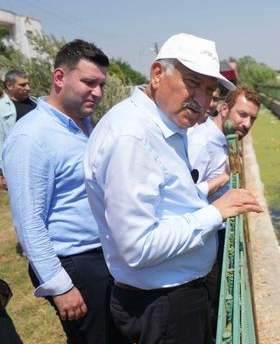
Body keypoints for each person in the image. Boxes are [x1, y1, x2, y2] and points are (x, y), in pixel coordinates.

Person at [83, 33, 263, 344]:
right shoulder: (134, 138)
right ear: (157, 75)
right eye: (192, 83)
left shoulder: (166, 125)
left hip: (170, 298)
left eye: (210, 91)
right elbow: (138, 247)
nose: (202, 99)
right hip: (162, 304)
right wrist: (215, 213)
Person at [2, 39, 126, 344]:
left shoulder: (84, 123)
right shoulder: (32, 137)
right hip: (74, 263)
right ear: (60, 78)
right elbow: (29, 222)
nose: (97, 92)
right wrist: (60, 285)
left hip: (102, 254)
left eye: (101, 85)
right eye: (88, 82)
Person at [187, 84, 261, 334]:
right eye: (242, 114)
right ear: (225, 108)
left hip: (217, 232)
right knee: (209, 310)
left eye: (252, 118)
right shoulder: (201, 141)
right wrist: (223, 177)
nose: (247, 124)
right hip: (202, 237)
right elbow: (186, 195)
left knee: (217, 301)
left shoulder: (225, 140)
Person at [0, 70, 37, 189]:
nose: (28, 88)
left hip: (39, 161)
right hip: (17, 166)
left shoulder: (37, 104)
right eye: (22, 85)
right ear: (9, 86)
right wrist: (2, 172)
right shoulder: (2, 108)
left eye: (28, 84)